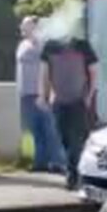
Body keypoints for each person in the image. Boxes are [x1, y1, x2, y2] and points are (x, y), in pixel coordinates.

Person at [40, 22, 98, 190]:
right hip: (58, 100)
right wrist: (43, 94)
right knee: (63, 137)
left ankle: (73, 175)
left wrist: (89, 95)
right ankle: (73, 171)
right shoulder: (50, 47)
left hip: (78, 100)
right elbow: (44, 72)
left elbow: (94, 71)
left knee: (76, 139)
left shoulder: (82, 46)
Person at [17, 17, 65, 173]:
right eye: (23, 26)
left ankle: (58, 162)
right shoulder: (23, 44)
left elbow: (50, 68)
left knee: (50, 129)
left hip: (41, 92)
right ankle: (40, 162)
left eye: (26, 26)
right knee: (35, 129)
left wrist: (47, 92)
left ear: (35, 27)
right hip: (26, 92)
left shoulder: (45, 44)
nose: (22, 28)